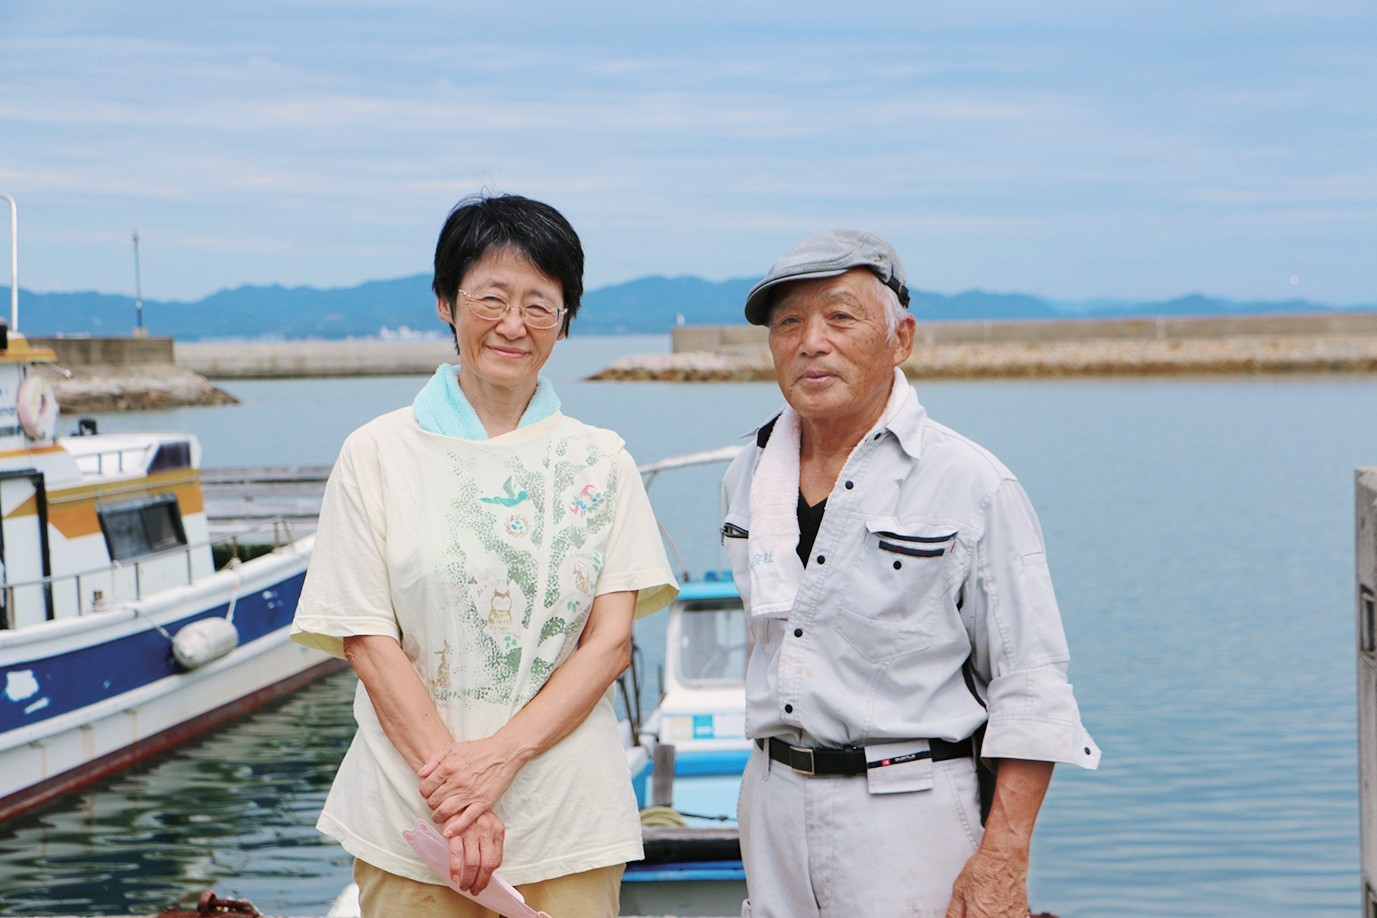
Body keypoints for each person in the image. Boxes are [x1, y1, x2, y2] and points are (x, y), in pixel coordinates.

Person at [291, 193, 678, 917]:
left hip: (568, 819)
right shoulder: (376, 453)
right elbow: (367, 641)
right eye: (491, 298)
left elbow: (609, 646)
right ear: (445, 302)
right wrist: (460, 796)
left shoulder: (601, 460)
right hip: (411, 819)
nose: (512, 324)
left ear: (565, 321)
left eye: (539, 305)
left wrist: (497, 761)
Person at [721, 229, 1100, 917]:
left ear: (901, 339)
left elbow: (1031, 683)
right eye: (788, 323)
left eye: (840, 316)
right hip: (771, 798)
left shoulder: (970, 482)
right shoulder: (745, 473)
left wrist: (1001, 861)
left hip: (908, 807)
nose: (811, 341)